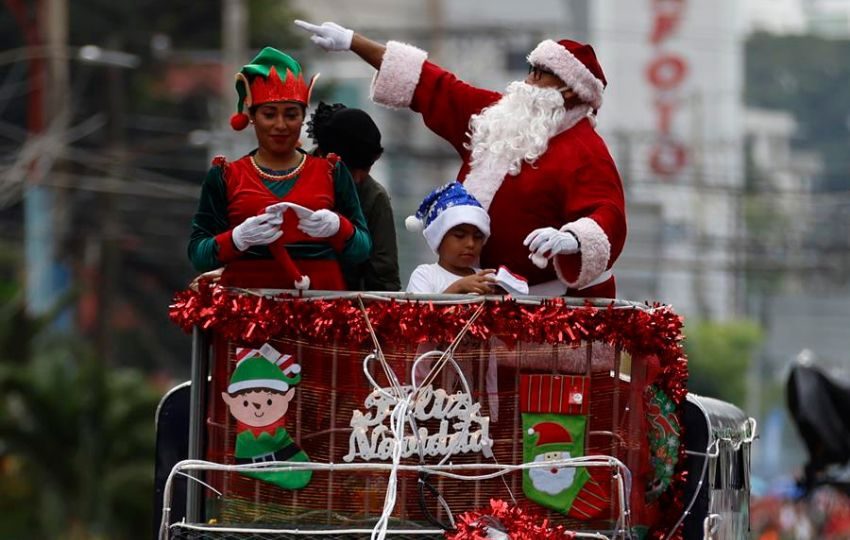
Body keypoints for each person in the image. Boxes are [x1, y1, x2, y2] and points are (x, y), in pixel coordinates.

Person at [295, 20, 626, 298]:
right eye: (531, 69)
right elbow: (432, 85)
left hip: (546, 312)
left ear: (569, 90)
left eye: (541, 73)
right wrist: (354, 42)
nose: (528, 80)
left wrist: (574, 239)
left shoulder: (586, 151)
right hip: (470, 294)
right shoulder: (499, 117)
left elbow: (608, 214)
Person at [187, 47, 371, 290]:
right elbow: (198, 254)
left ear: (303, 116)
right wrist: (237, 239)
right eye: (269, 114)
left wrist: (339, 227)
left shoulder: (331, 171)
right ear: (252, 116)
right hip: (245, 310)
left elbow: (362, 249)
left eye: (291, 115)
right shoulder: (225, 176)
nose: (281, 125)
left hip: (320, 310)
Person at [307, 102, 401, 291]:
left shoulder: (374, 197)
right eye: (350, 169)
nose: (358, 179)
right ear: (323, 155)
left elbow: (384, 278)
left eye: (366, 168)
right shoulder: (292, 175)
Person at [404, 181, 495, 294]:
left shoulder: (488, 278)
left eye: (477, 237)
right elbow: (419, 311)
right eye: (460, 236)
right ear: (439, 238)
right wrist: (458, 287)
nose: (471, 244)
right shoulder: (425, 275)